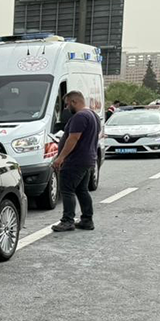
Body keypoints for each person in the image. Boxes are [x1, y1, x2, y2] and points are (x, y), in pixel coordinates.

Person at [51, 91, 99, 232]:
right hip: (87, 159)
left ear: (74, 102)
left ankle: (67, 221)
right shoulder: (93, 115)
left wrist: (61, 158)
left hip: (75, 161)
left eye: (67, 104)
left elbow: (73, 139)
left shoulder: (79, 117)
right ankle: (87, 220)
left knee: (67, 190)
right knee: (81, 190)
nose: (66, 108)